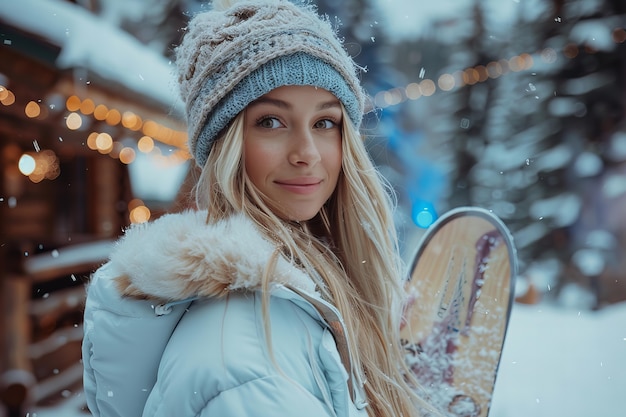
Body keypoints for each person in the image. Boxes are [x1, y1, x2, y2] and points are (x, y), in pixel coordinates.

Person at [82, 0, 434, 416]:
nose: (307, 153)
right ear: (225, 146)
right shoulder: (245, 368)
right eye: (271, 121)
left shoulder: (308, 299)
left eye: (325, 122)